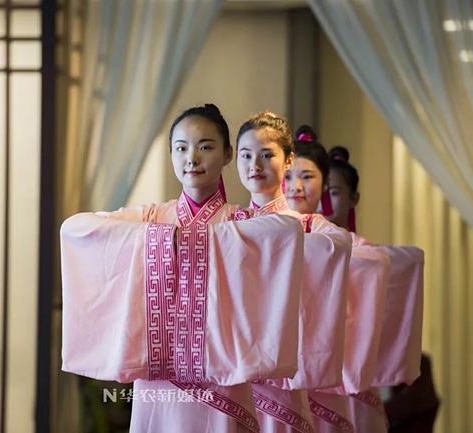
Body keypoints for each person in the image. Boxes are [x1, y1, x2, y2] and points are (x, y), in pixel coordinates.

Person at [61, 104, 306, 433]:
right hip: (157, 385)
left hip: (222, 384)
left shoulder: (241, 223)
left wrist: (194, 241)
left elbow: (287, 231)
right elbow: (75, 228)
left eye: (205, 147)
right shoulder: (151, 218)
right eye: (181, 148)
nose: (192, 158)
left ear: (227, 154)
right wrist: (160, 239)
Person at [235, 111, 352, 432]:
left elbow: (339, 246)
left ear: (288, 160)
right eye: (246, 155)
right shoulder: (228, 224)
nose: (255, 165)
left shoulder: (311, 227)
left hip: (283, 379)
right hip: (233, 375)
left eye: (266, 155)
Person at [285, 126, 391, 433]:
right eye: (289, 177)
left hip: (332, 369)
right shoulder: (271, 231)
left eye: (308, 177)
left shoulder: (345, 244)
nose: (296, 186)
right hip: (284, 373)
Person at [326, 147, 430, 433]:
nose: (324, 201)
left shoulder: (370, 256)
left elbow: (409, 262)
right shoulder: (297, 247)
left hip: (355, 381)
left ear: (354, 197)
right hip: (308, 379)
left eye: (333, 192)